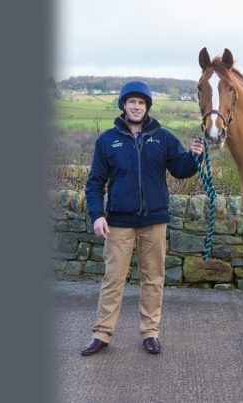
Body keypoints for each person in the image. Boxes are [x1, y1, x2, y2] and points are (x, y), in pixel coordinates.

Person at [81, 80, 205, 356]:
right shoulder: (107, 141)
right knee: (113, 280)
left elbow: (181, 171)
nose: (136, 107)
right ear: (124, 106)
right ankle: (102, 334)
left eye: (141, 103)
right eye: (132, 102)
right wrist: (97, 215)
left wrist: (194, 156)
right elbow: (94, 183)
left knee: (153, 279)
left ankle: (150, 332)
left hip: (154, 222)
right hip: (118, 224)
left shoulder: (162, 137)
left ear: (147, 107)